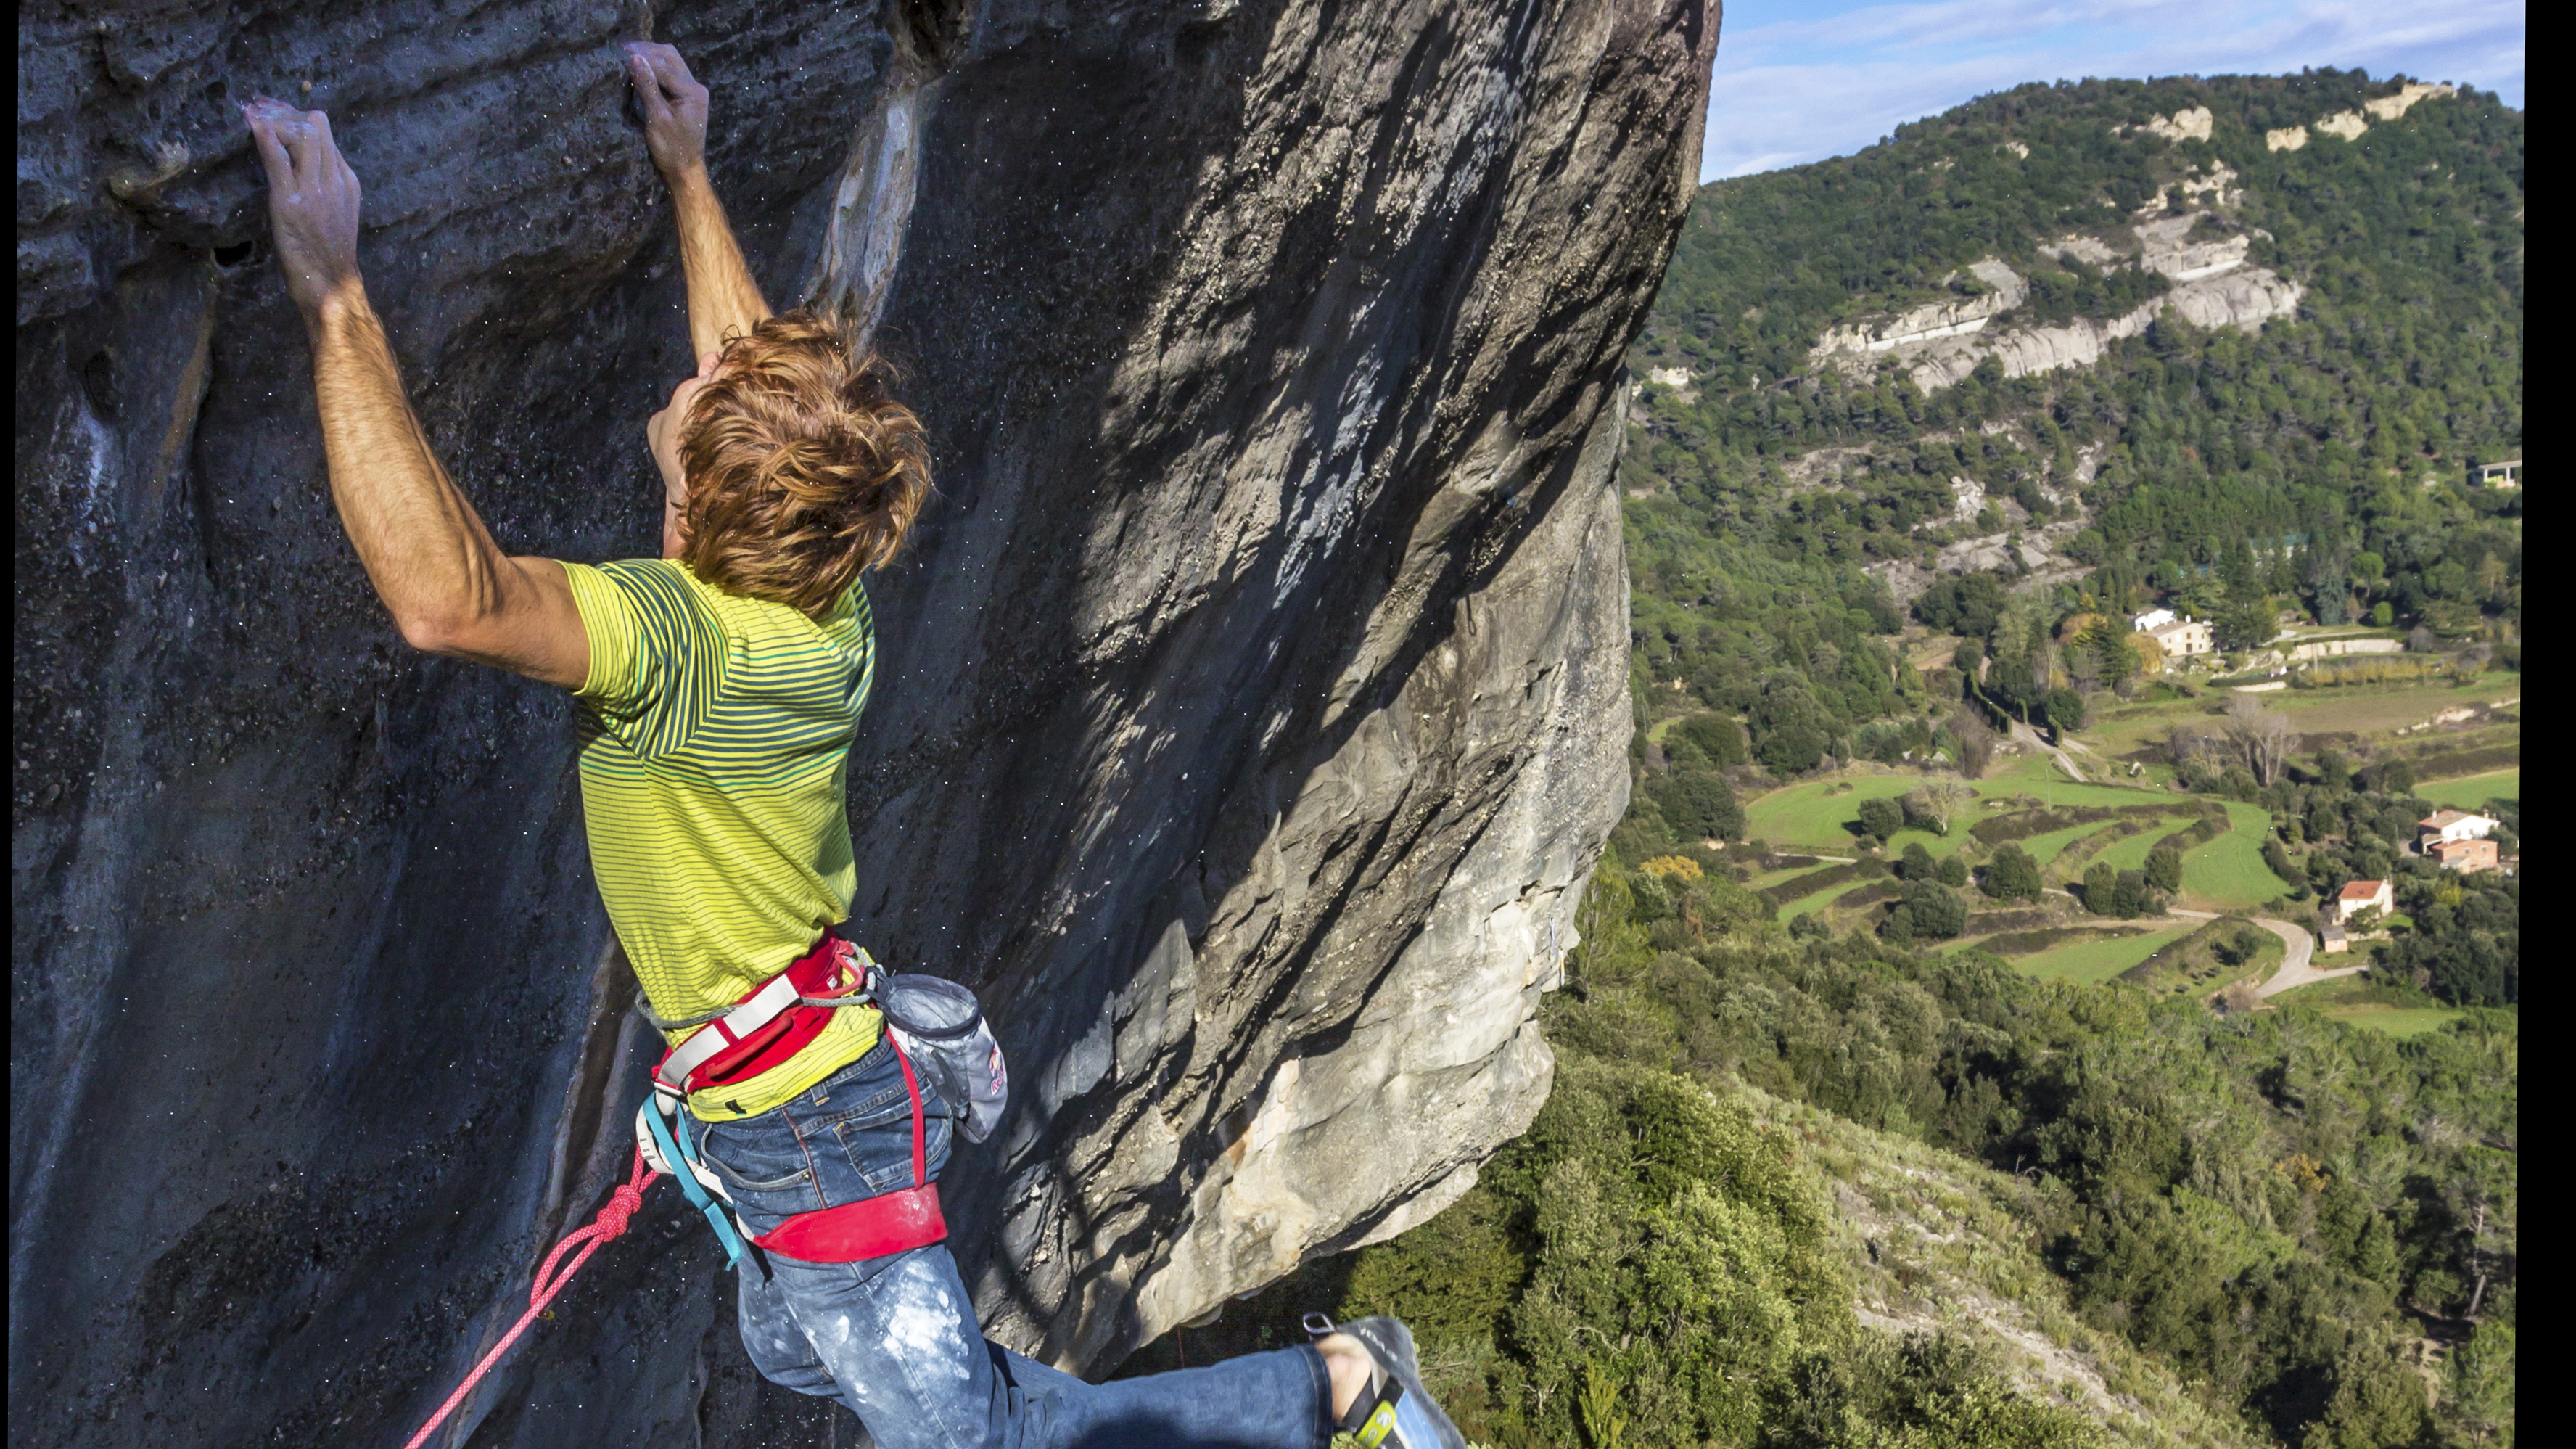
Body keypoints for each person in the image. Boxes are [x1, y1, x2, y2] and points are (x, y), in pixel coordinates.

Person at [244, 38, 1462, 1449]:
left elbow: (443, 596)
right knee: (813, 1349)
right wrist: (690, 168)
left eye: (713, 407)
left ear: (702, 516)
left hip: (810, 1129)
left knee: (968, 1440)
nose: (707, 377)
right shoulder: (827, 603)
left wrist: (334, 292)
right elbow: (746, 380)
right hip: (815, 1074)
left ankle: (1340, 1392)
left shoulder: (671, 642)